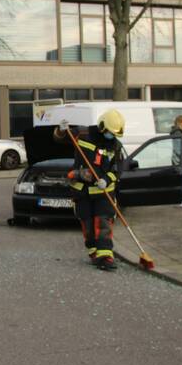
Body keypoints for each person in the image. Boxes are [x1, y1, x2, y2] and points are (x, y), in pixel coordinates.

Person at [54, 109, 127, 271]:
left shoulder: (115, 146)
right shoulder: (82, 133)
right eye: (109, 132)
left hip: (103, 192)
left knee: (103, 222)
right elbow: (60, 138)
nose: (111, 135)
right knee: (87, 223)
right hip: (82, 191)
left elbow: (117, 170)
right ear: (102, 126)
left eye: (113, 133)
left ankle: (106, 256)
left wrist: (106, 179)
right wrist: (61, 129)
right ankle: (94, 252)